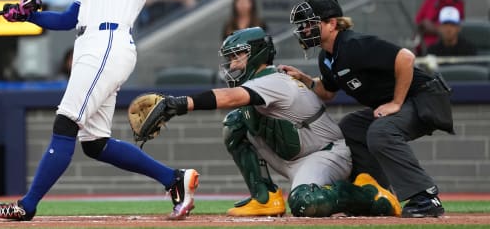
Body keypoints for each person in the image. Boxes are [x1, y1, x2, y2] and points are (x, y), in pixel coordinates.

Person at [0, 0, 199, 221]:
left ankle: (27, 205)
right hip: (91, 45)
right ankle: (173, 179)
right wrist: (27, 16)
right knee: (95, 143)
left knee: (67, 121)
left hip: (107, 42)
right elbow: (67, 19)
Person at [132, 27, 402, 218]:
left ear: (258, 54)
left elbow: (229, 96)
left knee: (305, 203)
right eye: (231, 58)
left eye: (238, 56)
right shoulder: (259, 81)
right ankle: (265, 197)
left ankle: (369, 194)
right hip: (293, 153)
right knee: (235, 122)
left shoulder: (273, 80)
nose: (233, 64)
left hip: (324, 155)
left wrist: (179, 104)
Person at [280, 0, 452, 218]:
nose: (304, 30)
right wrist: (304, 78)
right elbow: (328, 92)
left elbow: (406, 58)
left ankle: (426, 197)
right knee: (352, 127)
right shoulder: (327, 57)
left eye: (310, 24)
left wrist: (396, 102)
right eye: (302, 25)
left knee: (381, 131)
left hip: (425, 98)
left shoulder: (354, 45)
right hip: (407, 101)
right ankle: (375, 192)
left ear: (332, 24)